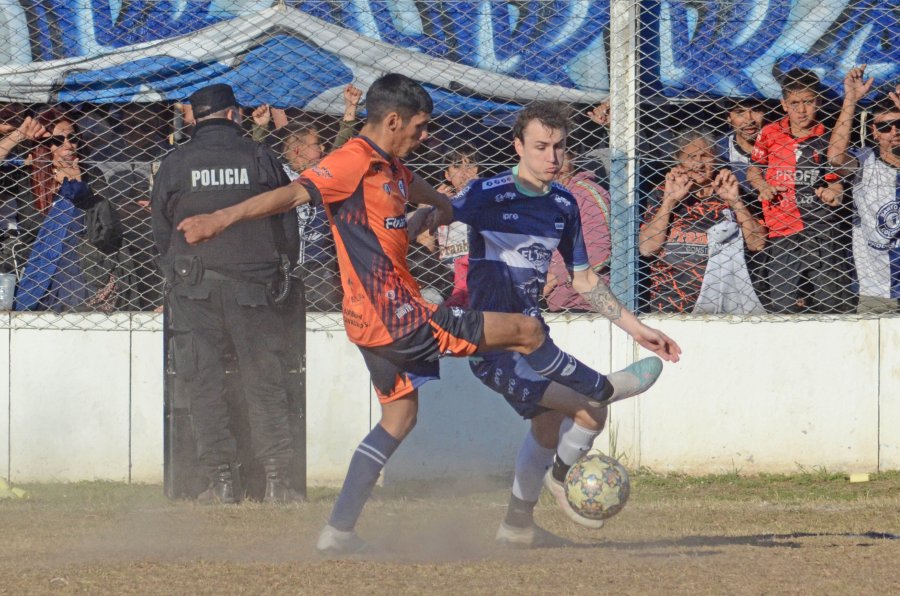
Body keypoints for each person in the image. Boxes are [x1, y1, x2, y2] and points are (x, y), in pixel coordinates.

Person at [175, 74, 681, 553]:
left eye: (559, 146)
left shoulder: (391, 165)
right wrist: (220, 218)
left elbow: (420, 191)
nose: (425, 135)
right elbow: (293, 193)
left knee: (399, 417)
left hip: (373, 322)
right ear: (393, 120)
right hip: (394, 316)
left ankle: (338, 531)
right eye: (420, 127)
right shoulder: (351, 161)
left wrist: (439, 206)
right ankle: (602, 389)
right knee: (528, 332)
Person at [451, 102, 680, 547]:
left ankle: (517, 525)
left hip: (537, 340)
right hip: (493, 345)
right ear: (518, 146)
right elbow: (436, 214)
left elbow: (584, 278)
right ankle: (561, 477)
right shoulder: (487, 192)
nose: (551, 157)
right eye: (540, 147)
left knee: (552, 424)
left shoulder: (563, 204)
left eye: (558, 147)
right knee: (591, 405)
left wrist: (637, 330)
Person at [151, 83, 303, 504]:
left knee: (204, 383)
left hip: (194, 287)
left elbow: (160, 232)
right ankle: (276, 483)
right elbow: (286, 223)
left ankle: (220, 482)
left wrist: (177, 272)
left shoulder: (175, 162)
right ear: (235, 115)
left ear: (194, 118)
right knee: (264, 382)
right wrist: (280, 268)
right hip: (255, 286)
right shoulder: (260, 157)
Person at [746, 68, 852, 313]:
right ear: (784, 104)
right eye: (794, 103)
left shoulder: (827, 137)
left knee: (830, 305)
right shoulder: (770, 133)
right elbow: (754, 170)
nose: (801, 110)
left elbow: (835, 181)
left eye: (808, 102)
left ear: (819, 101)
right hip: (781, 231)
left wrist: (834, 193)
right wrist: (763, 186)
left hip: (820, 230)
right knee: (784, 306)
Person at [14, 108, 136, 312]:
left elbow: (102, 227)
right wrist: (18, 136)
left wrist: (78, 188)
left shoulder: (91, 175)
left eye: (73, 139)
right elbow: (30, 229)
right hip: (38, 264)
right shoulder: (28, 178)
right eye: (57, 140)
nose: (68, 146)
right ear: (43, 146)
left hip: (83, 265)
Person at [639, 128, 766, 314]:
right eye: (691, 157)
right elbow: (647, 248)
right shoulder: (662, 193)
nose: (699, 163)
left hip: (726, 303)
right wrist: (669, 202)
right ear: (679, 162)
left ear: (715, 159)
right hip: (670, 303)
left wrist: (735, 201)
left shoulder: (731, 190)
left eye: (705, 156)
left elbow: (758, 243)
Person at [828, 65, 900, 314]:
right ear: (874, 132)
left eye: (899, 123)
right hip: (877, 289)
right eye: (885, 127)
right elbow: (835, 157)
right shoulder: (864, 162)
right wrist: (850, 99)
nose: (894, 132)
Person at [544, 150, 612, 312]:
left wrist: (554, 278)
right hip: (552, 302)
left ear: (572, 156)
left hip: (583, 303)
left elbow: (598, 252)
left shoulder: (584, 194)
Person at [434, 143, 481, 306]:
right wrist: (432, 205)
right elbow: (424, 245)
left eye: (469, 166)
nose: (464, 173)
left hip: (477, 271)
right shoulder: (442, 203)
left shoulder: (489, 199)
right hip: (445, 276)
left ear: (477, 170)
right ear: (447, 175)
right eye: (456, 167)